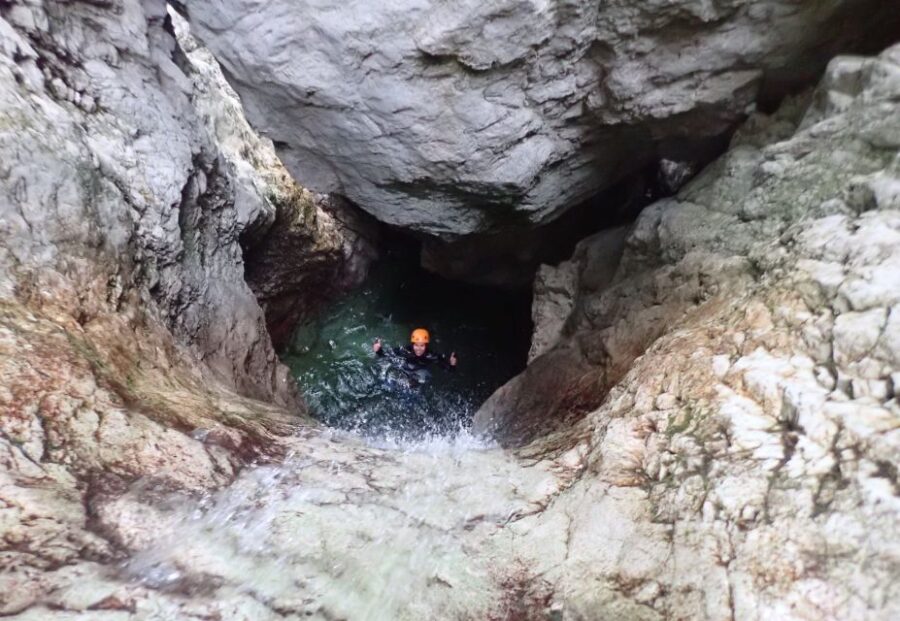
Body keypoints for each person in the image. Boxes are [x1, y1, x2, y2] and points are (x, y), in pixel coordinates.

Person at [373, 328, 457, 377]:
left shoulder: (431, 356)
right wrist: (379, 351)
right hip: (406, 368)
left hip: (421, 371)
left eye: (422, 346)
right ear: (412, 344)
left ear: (426, 346)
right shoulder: (405, 351)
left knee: (422, 378)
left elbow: (448, 370)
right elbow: (385, 356)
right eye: (416, 345)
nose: (419, 349)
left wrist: (452, 365)